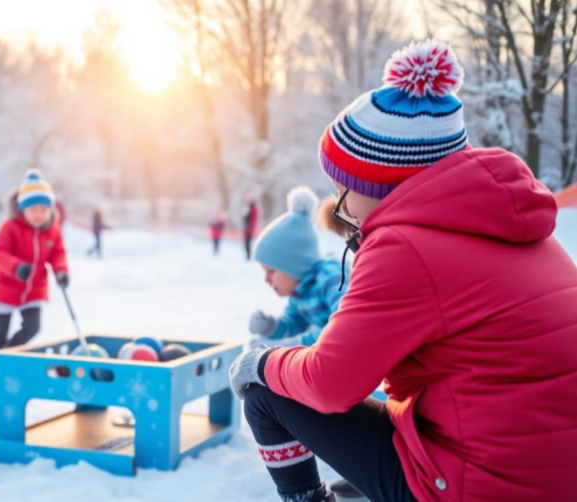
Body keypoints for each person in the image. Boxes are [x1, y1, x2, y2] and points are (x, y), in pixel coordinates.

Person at [228, 40, 577, 502]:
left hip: (480, 486)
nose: (343, 204)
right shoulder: (521, 227)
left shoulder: (404, 248)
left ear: (381, 182)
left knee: (265, 392)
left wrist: (263, 361)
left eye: (346, 186)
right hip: (552, 473)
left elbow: (330, 383)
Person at [0, 170, 68, 384]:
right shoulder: (10, 227)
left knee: (32, 327)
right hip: (6, 287)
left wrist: (61, 271)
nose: (39, 214)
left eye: (44, 209)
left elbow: (58, 253)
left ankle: (6, 353)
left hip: (34, 289)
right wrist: (16, 267)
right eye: (33, 209)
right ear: (23, 208)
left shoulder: (53, 230)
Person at [248, 188, 345, 349]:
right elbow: (294, 324)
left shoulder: (331, 277)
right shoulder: (299, 290)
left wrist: (296, 344)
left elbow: (345, 324)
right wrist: (271, 327)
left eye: (271, 271)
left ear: (293, 265)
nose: (266, 279)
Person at [242, 195, 259, 260]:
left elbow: (253, 220)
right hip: (247, 229)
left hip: (249, 229)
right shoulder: (249, 208)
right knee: (246, 244)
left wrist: (249, 228)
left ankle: (249, 257)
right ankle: (248, 256)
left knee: (248, 243)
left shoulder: (253, 209)